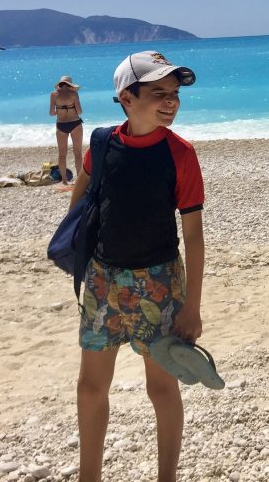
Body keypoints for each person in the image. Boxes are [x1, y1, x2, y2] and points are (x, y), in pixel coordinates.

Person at [70, 51, 205, 482]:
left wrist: (192, 307)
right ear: (126, 96)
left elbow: (194, 235)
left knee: (160, 387)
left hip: (160, 282)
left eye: (175, 94)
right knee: (92, 387)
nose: (171, 102)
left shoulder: (180, 153)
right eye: (159, 93)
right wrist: (76, 250)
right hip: (102, 279)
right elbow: (84, 190)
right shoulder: (104, 142)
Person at [49, 76, 84, 183]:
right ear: (70, 85)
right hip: (75, 124)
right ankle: (79, 178)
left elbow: (51, 113)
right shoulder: (74, 94)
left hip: (61, 125)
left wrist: (59, 110)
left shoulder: (54, 95)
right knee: (77, 153)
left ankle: (64, 179)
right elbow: (79, 111)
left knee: (62, 154)